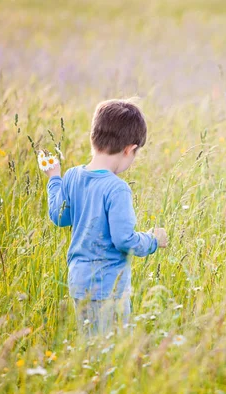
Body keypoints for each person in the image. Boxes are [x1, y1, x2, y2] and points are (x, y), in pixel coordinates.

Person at [43, 99, 168, 337]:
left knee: (90, 349)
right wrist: (152, 240)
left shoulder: (72, 176)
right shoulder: (116, 189)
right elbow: (125, 241)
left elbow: (59, 217)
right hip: (109, 289)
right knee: (113, 354)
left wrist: (54, 178)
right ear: (129, 149)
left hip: (78, 283)